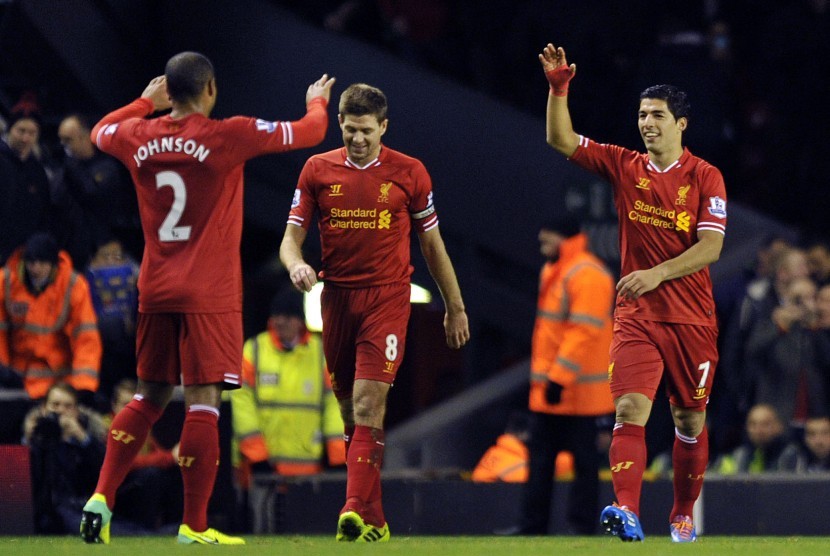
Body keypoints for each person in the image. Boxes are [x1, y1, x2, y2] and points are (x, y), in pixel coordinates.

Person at [78, 51, 334, 545]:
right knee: (203, 402)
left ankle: (100, 498)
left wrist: (141, 104)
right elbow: (309, 132)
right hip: (208, 292)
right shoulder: (226, 134)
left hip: (154, 287)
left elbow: (99, 133)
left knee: (147, 395)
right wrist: (318, 102)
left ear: (167, 92)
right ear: (211, 88)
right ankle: (194, 526)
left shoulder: (140, 136)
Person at [539, 43, 728, 543]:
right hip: (637, 315)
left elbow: (711, 247)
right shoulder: (625, 165)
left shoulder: (705, 176)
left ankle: (683, 511)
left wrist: (657, 273)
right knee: (628, 410)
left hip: (691, 319)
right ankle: (627, 509)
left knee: (689, 417)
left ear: (680, 124)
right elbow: (559, 139)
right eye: (642, 115)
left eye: (658, 116)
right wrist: (559, 89)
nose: (647, 123)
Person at [280, 82, 470, 542]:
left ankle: (351, 509)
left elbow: (431, 244)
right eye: (349, 131)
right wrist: (297, 264)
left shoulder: (410, 173)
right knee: (349, 413)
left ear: (384, 126)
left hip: (387, 298)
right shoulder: (316, 170)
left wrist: (455, 306)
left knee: (368, 402)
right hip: (337, 300)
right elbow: (290, 239)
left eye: (366, 131)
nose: (358, 139)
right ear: (340, 126)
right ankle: (377, 520)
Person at [501, 218, 615, 535]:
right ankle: (532, 526)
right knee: (541, 463)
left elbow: (584, 332)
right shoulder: (558, 270)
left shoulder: (586, 274)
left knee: (582, 464)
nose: (541, 246)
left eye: (545, 239)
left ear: (561, 238)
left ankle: (580, 528)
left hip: (578, 393)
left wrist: (558, 378)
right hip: (555, 389)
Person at [230, 288, 345, 484]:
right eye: (276, 315)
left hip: (308, 472)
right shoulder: (255, 350)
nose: (280, 321)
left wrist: (338, 458)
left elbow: (335, 405)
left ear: (300, 320)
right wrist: (256, 454)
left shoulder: (320, 354)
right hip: (260, 470)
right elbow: (240, 403)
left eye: (287, 316)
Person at [0, 232, 102, 399]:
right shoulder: (6, 283)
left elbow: (86, 337)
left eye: (42, 262)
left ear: (54, 265)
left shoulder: (73, 286)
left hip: (59, 381)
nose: (36, 268)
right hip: (15, 382)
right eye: (31, 262)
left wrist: (84, 386)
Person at [54, 113, 142, 269]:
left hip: (103, 247)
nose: (64, 146)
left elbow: (92, 194)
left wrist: (71, 166)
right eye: (61, 140)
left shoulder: (107, 166)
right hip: (71, 246)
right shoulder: (63, 171)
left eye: (68, 140)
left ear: (84, 136)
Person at [22, 383, 107, 534]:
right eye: (55, 405)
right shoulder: (35, 437)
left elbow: (104, 473)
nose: (60, 411)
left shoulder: (87, 440)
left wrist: (82, 438)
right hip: (40, 509)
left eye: (68, 406)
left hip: (78, 505)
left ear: (76, 411)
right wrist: (32, 439)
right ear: (44, 408)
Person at [85, 238, 140, 406]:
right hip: (100, 361)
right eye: (105, 257)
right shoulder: (84, 285)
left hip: (132, 355)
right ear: (93, 260)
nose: (110, 262)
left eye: (116, 257)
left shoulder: (139, 280)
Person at [0, 105, 54, 265]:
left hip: (24, 255)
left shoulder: (38, 171)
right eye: (21, 131)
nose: (25, 138)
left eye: (32, 133)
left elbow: (43, 213)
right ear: (10, 130)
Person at [712, 403, 803, 474]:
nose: (758, 430)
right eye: (753, 424)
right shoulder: (739, 455)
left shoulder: (791, 454)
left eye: (765, 424)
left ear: (779, 426)